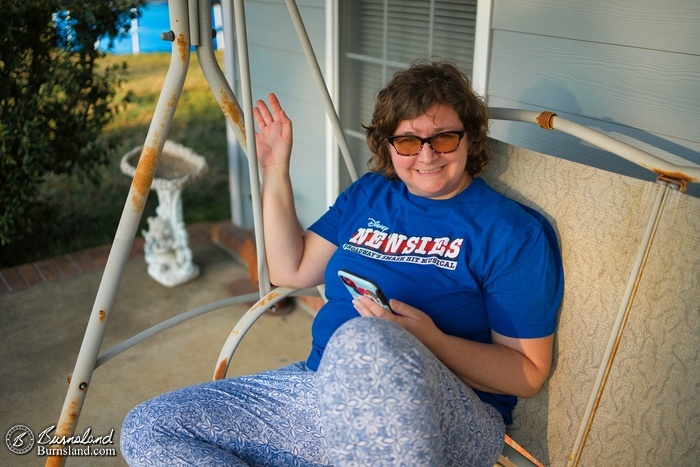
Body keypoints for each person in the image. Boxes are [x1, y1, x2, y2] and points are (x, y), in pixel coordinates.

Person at [120, 60, 564, 466]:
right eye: (408, 141)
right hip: (319, 388)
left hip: (449, 413)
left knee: (366, 340)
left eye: (444, 138)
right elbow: (291, 269)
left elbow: (526, 373)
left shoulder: (510, 231)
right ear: (387, 145)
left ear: (471, 137)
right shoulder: (369, 194)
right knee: (150, 428)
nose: (426, 156)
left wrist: (428, 338)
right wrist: (276, 168)